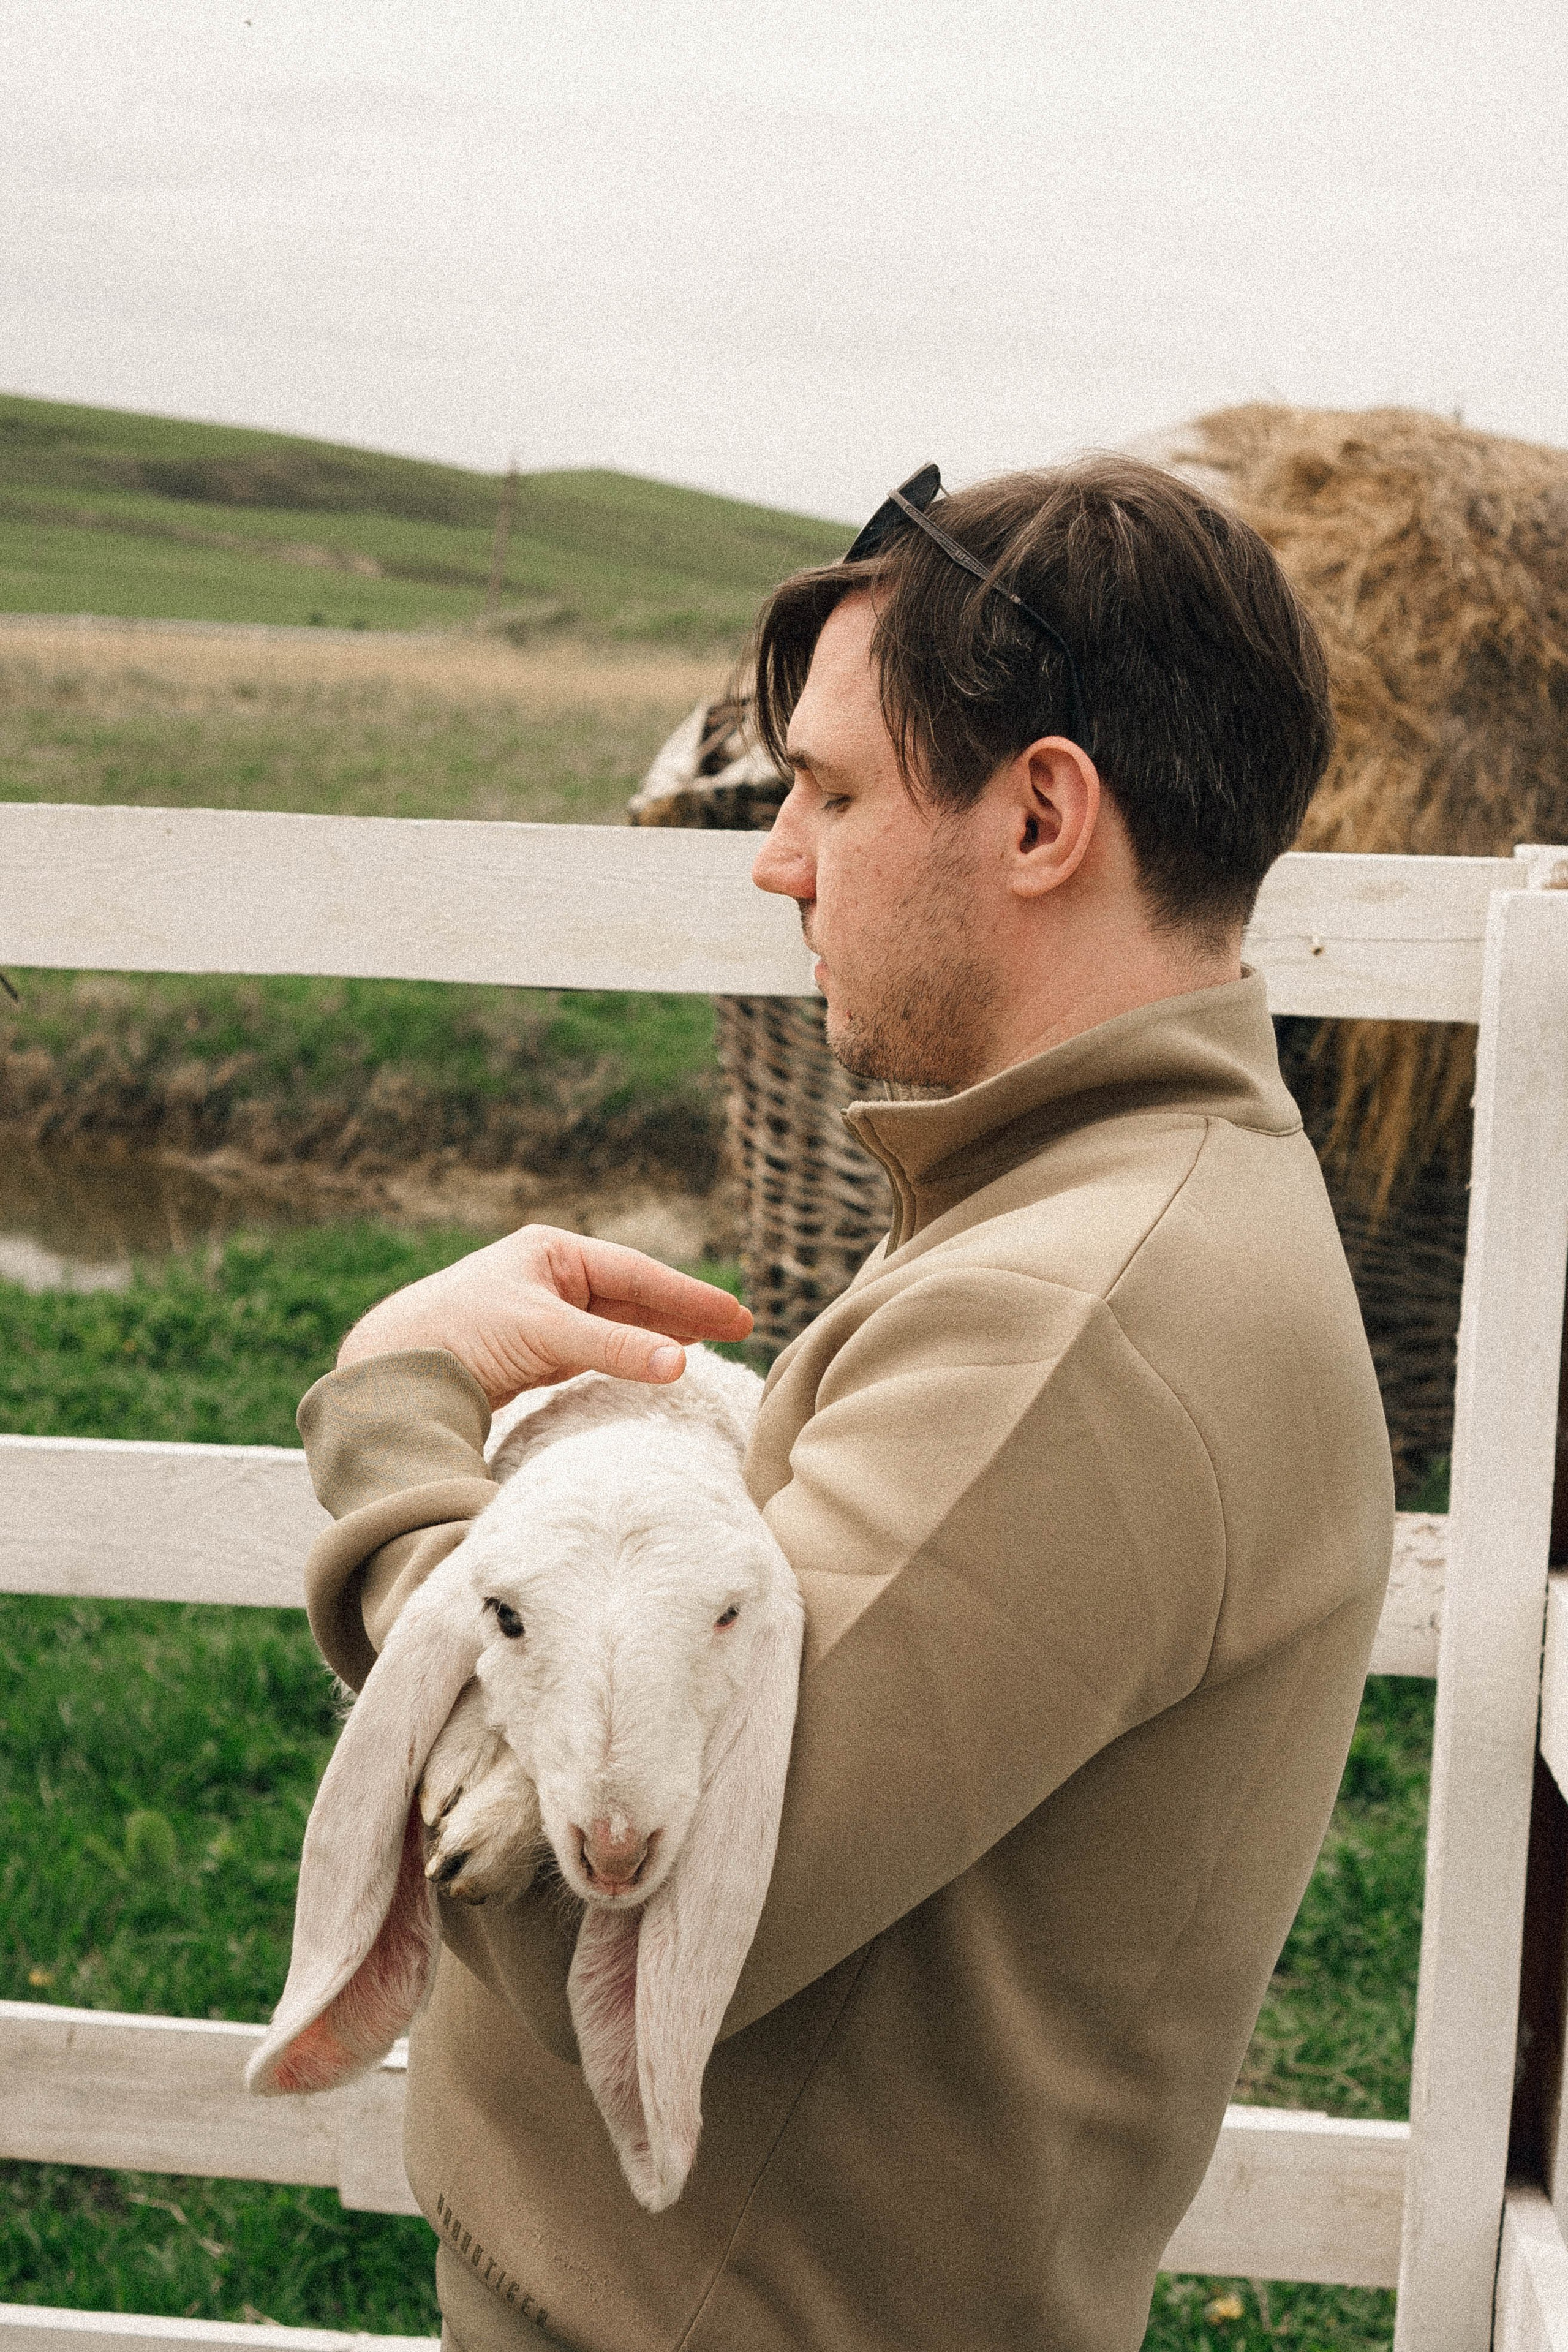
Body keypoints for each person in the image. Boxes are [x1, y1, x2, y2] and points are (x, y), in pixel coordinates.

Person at [296, 458, 1394, 2352]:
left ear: (1044, 812)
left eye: (832, 790)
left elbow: (618, 1889)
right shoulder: (1096, 1217)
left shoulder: (1083, 1322)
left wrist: (401, 1408)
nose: (778, 856)